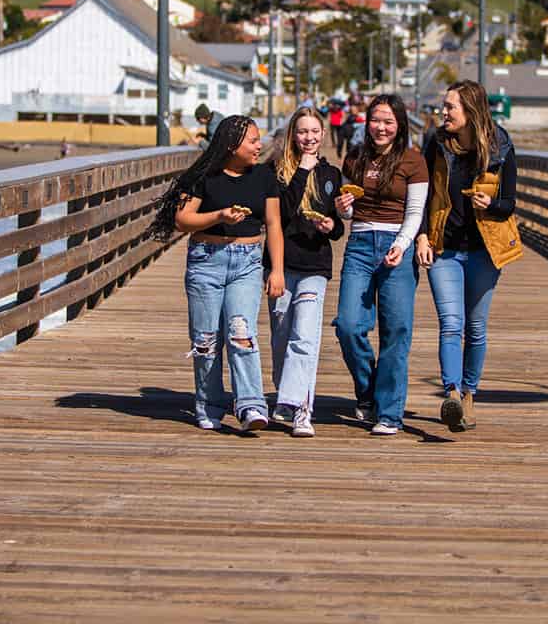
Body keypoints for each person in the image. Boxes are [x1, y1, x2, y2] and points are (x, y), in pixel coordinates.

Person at [149, 115, 285, 432]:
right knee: (206, 340)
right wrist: (219, 216)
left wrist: (276, 269)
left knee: (242, 334)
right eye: (253, 140)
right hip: (206, 262)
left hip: (248, 262)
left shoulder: (264, 175)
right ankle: (209, 405)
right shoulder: (203, 176)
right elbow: (183, 220)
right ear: (231, 145)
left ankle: (251, 405)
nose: (259, 146)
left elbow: (274, 224)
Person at [416, 81, 521, 431]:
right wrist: (421, 236)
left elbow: (510, 203)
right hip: (443, 246)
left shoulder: (500, 145)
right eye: (443, 107)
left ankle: (470, 394)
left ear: (471, 111)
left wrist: (491, 204)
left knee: (475, 328)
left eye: (450, 107)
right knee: (451, 324)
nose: (443, 113)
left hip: (484, 249)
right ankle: (452, 393)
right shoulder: (434, 143)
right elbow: (424, 193)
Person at [333, 94, 428, 436]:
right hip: (359, 244)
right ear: (366, 122)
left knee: (396, 330)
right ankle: (368, 390)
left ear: (399, 124)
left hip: (395, 247)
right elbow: (346, 212)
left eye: (388, 121)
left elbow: (415, 213)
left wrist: (402, 245)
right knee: (347, 325)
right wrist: (343, 208)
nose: (381, 128)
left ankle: (389, 412)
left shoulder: (413, 161)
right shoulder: (355, 158)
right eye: (376, 120)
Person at [264, 106, 345, 438]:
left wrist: (332, 224)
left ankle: (301, 409)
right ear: (292, 136)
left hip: (315, 264)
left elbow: (338, 228)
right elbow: (280, 214)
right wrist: (301, 171)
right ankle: (285, 395)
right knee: (282, 336)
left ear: (323, 135)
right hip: (281, 264)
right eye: (302, 132)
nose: (309, 138)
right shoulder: (276, 171)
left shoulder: (332, 175)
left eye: (314, 132)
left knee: (305, 337)